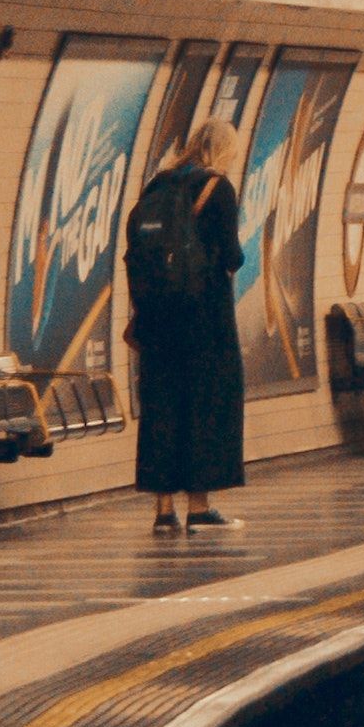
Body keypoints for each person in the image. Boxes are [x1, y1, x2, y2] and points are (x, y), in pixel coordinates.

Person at [126, 119, 245, 538]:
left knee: (161, 408)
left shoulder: (157, 186)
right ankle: (199, 507)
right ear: (224, 150)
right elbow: (232, 256)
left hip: (157, 319)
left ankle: (163, 511)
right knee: (206, 406)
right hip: (204, 319)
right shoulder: (218, 188)